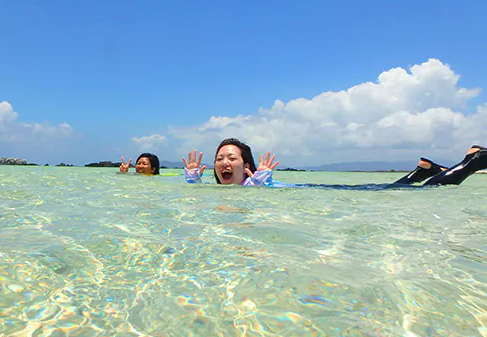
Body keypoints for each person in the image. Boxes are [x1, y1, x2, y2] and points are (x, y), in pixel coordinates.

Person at [183, 138, 487, 188]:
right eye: (219, 159)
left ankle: (474, 161)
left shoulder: (255, 183)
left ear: (247, 167)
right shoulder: (229, 188)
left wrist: (263, 184)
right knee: (394, 189)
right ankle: (426, 171)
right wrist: (193, 183)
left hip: (324, 188)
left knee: (401, 192)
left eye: (231, 158)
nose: (224, 162)